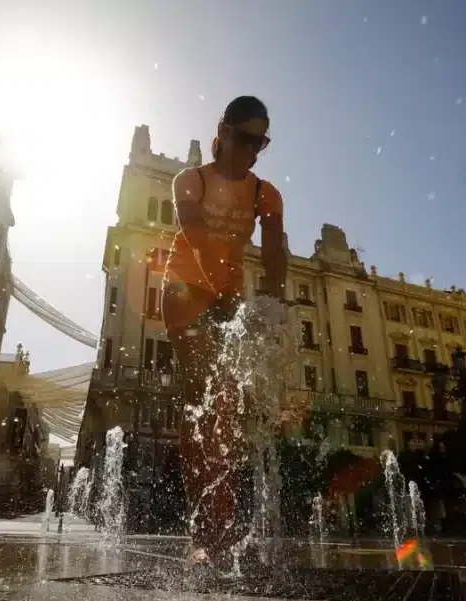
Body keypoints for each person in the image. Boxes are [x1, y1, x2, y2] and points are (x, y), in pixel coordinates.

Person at [161, 96, 287, 567]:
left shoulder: (265, 194)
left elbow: (274, 251)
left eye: (263, 141)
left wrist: (274, 299)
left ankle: (220, 525)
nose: (254, 149)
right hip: (184, 291)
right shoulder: (189, 179)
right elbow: (193, 234)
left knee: (228, 410)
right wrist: (221, 291)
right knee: (201, 398)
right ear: (224, 132)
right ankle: (206, 529)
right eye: (246, 137)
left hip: (227, 300)